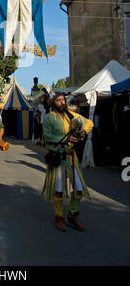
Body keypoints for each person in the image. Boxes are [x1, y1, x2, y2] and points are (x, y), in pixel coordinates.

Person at [41, 93, 94, 232]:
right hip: (57, 157)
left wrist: (83, 131)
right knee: (58, 190)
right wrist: (66, 139)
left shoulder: (71, 115)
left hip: (71, 157)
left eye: (63, 99)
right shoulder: (49, 117)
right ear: (53, 104)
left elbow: (89, 122)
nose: (62, 102)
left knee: (79, 189)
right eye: (58, 100)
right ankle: (59, 217)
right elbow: (47, 136)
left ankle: (73, 214)